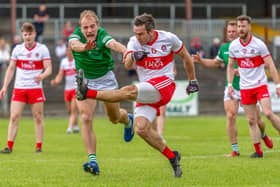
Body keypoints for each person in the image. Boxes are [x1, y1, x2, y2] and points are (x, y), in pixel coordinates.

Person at [75, 13, 199, 177]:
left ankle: (87, 92)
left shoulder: (169, 38)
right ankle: (172, 156)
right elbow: (127, 65)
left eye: (141, 34)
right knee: (140, 129)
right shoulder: (134, 42)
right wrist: (133, 56)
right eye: (135, 33)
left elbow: (186, 57)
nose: (137, 37)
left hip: (164, 85)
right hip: (146, 89)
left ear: (151, 31)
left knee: (129, 91)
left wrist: (192, 80)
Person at [192, 20, 273, 157]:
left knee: (257, 120)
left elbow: (266, 63)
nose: (231, 34)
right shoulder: (225, 48)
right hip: (232, 88)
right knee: (230, 116)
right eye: (229, 31)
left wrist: (245, 69)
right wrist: (201, 61)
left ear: (241, 30)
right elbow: (216, 62)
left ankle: (263, 134)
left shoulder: (253, 45)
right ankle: (235, 150)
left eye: (233, 31)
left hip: (250, 86)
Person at [68, 10, 134, 175]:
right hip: (85, 81)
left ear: (97, 26)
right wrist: (85, 47)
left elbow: (113, 44)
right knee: (86, 117)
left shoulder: (102, 35)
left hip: (106, 80)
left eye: (92, 26)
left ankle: (128, 121)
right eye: (85, 27)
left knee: (114, 118)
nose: (89, 30)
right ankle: (93, 161)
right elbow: (74, 45)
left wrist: (125, 51)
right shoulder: (75, 36)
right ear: (80, 28)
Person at [228, 15, 280, 158]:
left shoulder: (259, 44)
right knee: (251, 120)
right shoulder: (234, 46)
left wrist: (278, 85)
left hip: (260, 85)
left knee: (268, 114)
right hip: (245, 88)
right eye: (239, 26)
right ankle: (258, 151)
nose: (240, 29)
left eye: (243, 26)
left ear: (249, 27)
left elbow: (270, 65)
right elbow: (231, 65)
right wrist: (230, 84)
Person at [0, 22, 52, 153]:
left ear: (34, 34)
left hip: (35, 88)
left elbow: (49, 68)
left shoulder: (42, 49)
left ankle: (38, 146)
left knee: (38, 117)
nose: (28, 37)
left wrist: (42, 75)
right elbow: (11, 69)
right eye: (25, 34)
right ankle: (9, 146)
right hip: (20, 88)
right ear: (22, 35)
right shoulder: (17, 49)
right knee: (14, 116)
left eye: (30, 34)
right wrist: (5, 86)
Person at [51, 46, 80, 134]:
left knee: (73, 109)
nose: (69, 52)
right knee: (70, 110)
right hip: (67, 90)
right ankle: (75, 126)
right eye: (67, 51)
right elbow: (60, 74)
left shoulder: (77, 61)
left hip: (76, 89)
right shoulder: (64, 62)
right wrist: (56, 81)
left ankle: (69, 128)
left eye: (70, 51)